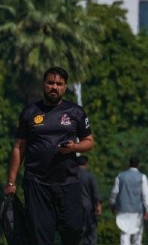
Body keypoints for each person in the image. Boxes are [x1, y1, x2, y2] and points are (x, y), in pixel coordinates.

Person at [4, 66, 95, 245]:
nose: (54, 87)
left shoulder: (76, 112)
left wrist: (73, 147)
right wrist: (11, 182)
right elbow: (18, 148)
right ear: (44, 85)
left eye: (59, 84)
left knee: (74, 228)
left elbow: (89, 142)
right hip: (37, 183)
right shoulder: (29, 112)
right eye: (50, 83)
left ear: (65, 86)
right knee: (40, 234)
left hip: (67, 182)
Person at [109, 157, 148, 245]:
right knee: (137, 238)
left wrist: (112, 204)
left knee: (124, 235)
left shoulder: (120, 176)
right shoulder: (142, 177)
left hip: (123, 209)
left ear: (129, 164)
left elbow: (114, 192)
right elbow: (145, 194)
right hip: (137, 211)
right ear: (138, 165)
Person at [75, 155, 100, 245]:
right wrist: (98, 206)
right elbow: (95, 192)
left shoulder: (73, 176)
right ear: (86, 164)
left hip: (75, 206)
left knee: (77, 232)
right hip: (88, 206)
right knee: (91, 231)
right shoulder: (89, 176)